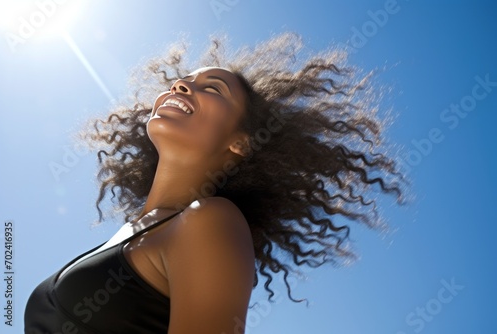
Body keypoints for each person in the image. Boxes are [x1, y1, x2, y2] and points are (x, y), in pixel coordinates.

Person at [24, 33, 404, 333]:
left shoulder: (209, 221)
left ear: (240, 142)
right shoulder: (133, 231)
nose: (182, 87)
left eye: (214, 87)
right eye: (182, 80)